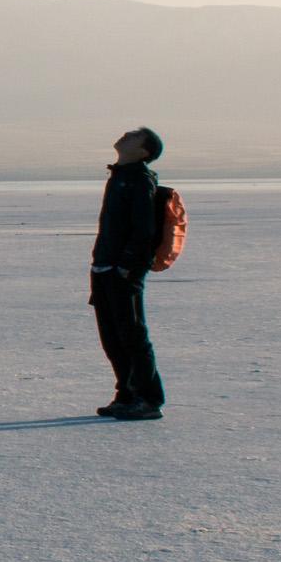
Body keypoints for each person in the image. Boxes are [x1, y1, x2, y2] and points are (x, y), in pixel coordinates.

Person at [89, 127, 169, 419]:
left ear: (144, 151)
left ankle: (148, 399)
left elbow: (144, 229)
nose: (125, 135)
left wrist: (125, 266)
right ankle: (126, 393)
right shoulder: (120, 176)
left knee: (132, 335)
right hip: (104, 266)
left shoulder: (139, 180)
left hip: (122, 270)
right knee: (112, 335)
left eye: (133, 136)